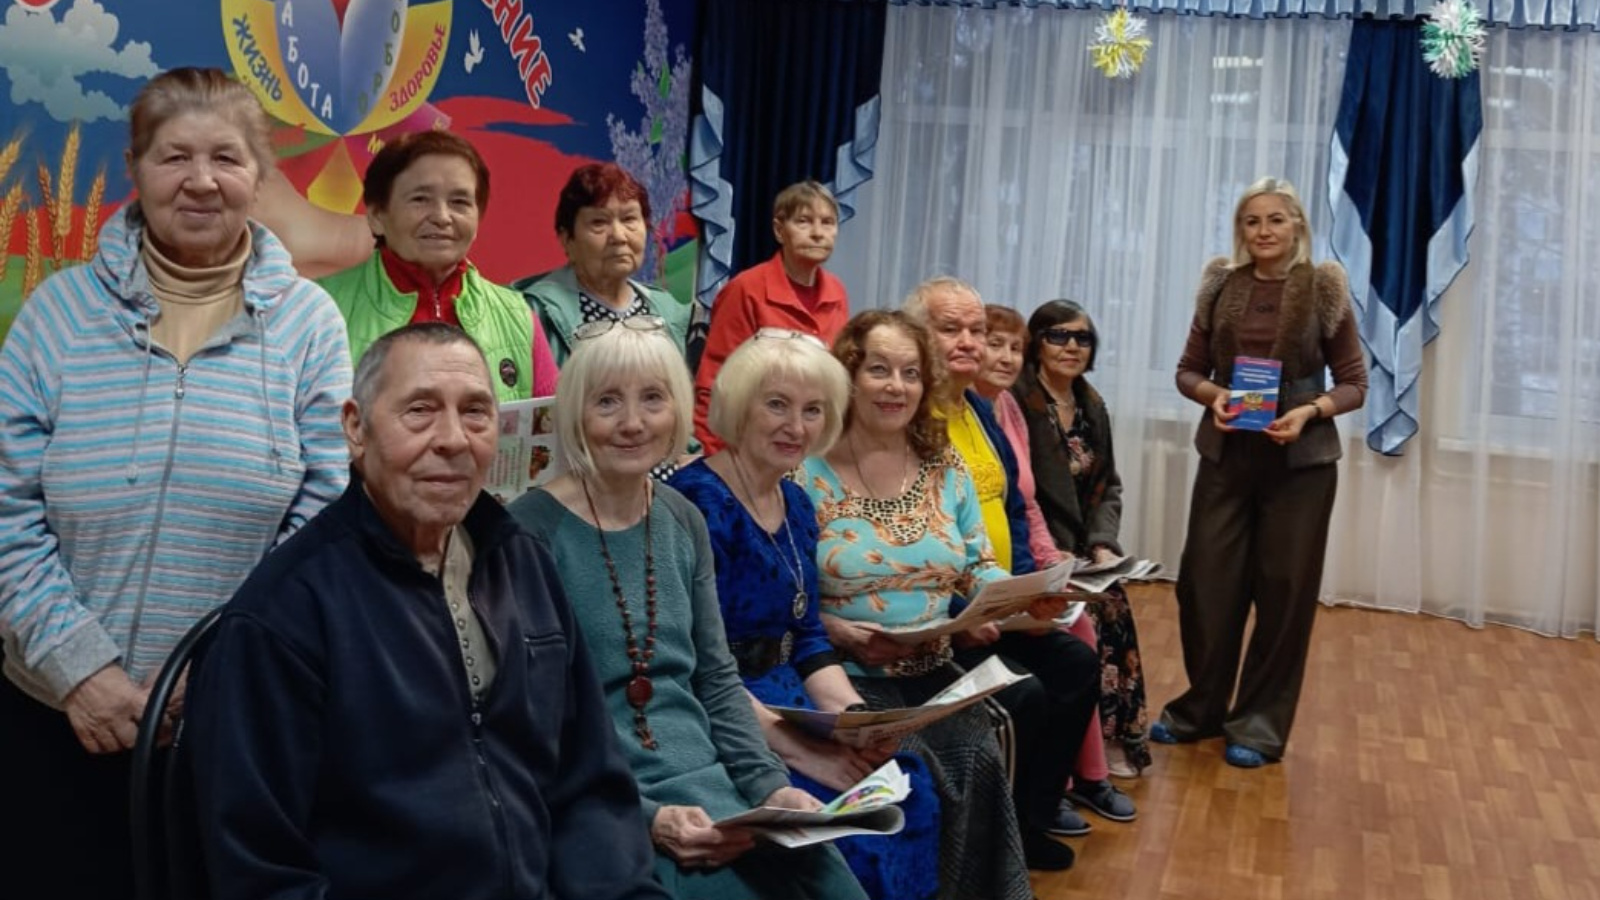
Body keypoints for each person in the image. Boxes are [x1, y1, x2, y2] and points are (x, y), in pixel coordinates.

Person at [0, 67, 351, 900]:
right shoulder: (57, 314)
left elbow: (322, 521)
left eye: (226, 158)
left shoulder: (310, 325)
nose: (201, 181)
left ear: (259, 177)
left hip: (226, 727)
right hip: (50, 715)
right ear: (136, 169)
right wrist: (79, 669)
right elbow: (6, 509)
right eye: (174, 157)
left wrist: (216, 673)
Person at [186, 324, 666, 900]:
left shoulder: (522, 565)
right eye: (420, 411)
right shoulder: (285, 613)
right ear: (355, 428)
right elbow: (262, 872)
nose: (453, 440)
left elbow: (590, 784)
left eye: (475, 413)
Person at [509, 321, 867, 900]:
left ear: (677, 409)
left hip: (711, 779)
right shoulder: (528, 532)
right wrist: (649, 817)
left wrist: (770, 789)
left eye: (653, 398)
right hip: (600, 794)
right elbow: (530, 720)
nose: (633, 422)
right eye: (607, 401)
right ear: (574, 413)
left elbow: (717, 680)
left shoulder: (682, 519)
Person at [670, 331, 940, 900]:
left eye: (813, 410)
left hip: (790, 696)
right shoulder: (695, 503)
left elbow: (809, 633)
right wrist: (803, 751)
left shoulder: (795, 502)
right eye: (777, 405)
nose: (796, 426)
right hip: (721, 710)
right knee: (839, 830)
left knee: (906, 788)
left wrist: (857, 720)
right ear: (738, 407)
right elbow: (697, 664)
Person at [801, 308, 1055, 893]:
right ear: (848, 376)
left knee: (979, 760)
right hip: (844, 678)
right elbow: (783, 597)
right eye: (879, 370)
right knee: (916, 778)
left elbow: (977, 564)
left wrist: (1015, 600)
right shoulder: (803, 471)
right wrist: (836, 630)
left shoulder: (945, 465)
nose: (896, 387)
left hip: (937, 673)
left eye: (911, 373)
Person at [1155, 176, 1368, 768]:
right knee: (1204, 587)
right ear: (1240, 230)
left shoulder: (1324, 287)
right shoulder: (1221, 285)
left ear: (1297, 225)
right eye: (1252, 221)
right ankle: (1200, 711)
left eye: (1276, 219)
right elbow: (1187, 371)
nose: (1264, 230)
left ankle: (1258, 725)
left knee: (1284, 595)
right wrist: (1215, 396)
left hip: (1301, 465)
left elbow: (1354, 383)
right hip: (1227, 457)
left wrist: (1310, 411)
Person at [903, 280, 1110, 843]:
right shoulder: (911, 415)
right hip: (943, 614)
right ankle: (1004, 840)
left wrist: (1028, 587)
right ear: (915, 336)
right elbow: (910, 537)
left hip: (995, 596)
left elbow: (1014, 506)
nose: (969, 342)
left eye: (976, 330)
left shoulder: (977, 407)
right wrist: (966, 610)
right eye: (951, 329)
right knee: (1028, 691)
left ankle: (1033, 821)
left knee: (1075, 663)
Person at [978, 306, 1139, 796]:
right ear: (1040, 346)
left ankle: (1109, 746)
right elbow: (1030, 502)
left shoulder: (1091, 403)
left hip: (1072, 546)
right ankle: (1079, 770)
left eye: (1082, 339)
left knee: (1112, 600)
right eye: (1057, 336)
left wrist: (1103, 545)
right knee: (1088, 621)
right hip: (1039, 547)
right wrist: (1056, 558)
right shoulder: (1022, 402)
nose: (1071, 346)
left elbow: (1108, 486)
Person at [317, 130, 558, 400]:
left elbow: (550, 423)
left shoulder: (518, 317)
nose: (442, 217)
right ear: (376, 216)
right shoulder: (318, 308)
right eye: (420, 199)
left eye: (459, 202)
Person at [692, 181, 850, 453]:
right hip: (749, 446)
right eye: (804, 221)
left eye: (827, 223)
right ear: (779, 229)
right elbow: (715, 383)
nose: (817, 233)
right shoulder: (746, 289)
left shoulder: (837, 292)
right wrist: (714, 459)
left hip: (812, 446)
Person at [515, 162, 692, 367]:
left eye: (629, 219)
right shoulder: (533, 312)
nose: (619, 236)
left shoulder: (669, 310)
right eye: (599, 222)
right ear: (567, 239)